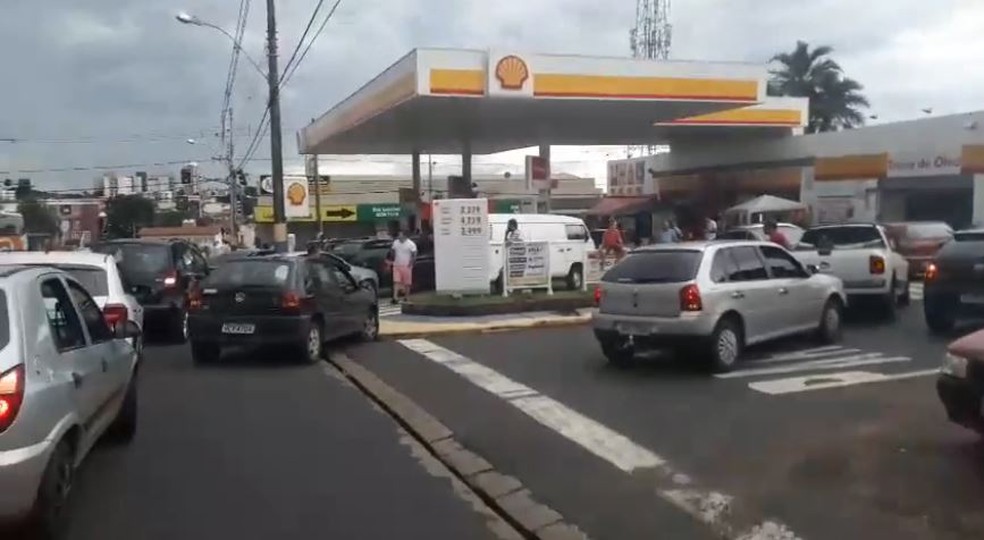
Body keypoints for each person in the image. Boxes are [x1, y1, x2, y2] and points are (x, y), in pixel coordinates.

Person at [390, 230, 418, 304]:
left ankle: (406, 297)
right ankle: (395, 297)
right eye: (398, 235)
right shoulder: (395, 242)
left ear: (405, 236)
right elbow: (392, 251)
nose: (399, 236)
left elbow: (414, 254)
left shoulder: (411, 244)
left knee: (407, 283)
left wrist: (411, 262)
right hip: (397, 265)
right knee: (396, 281)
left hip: (406, 265)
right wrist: (392, 259)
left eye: (400, 235)